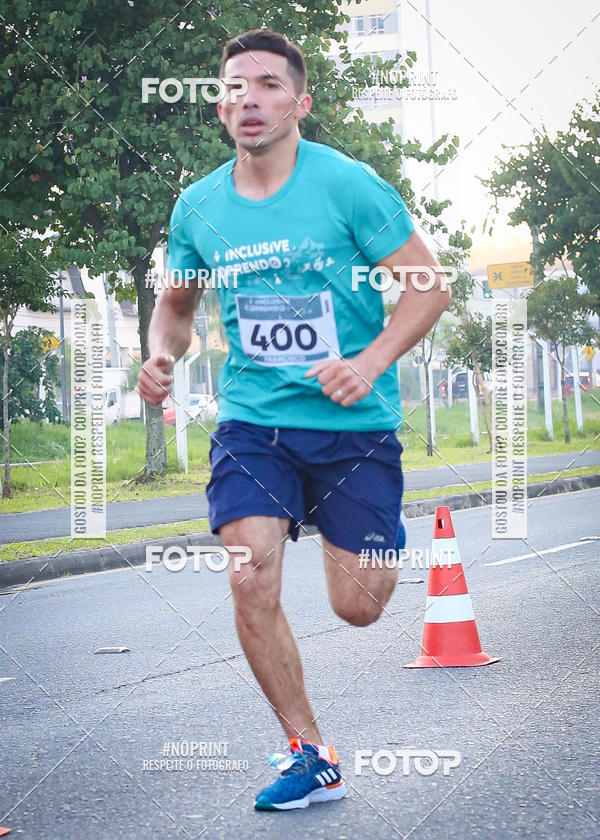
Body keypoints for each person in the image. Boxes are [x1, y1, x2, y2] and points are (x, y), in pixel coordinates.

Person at [138, 28, 451, 811]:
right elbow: (175, 307)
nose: (251, 98)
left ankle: (346, 520)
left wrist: (371, 361)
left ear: (301, 101)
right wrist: (161, 356)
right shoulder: (198, 206)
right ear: (219, 104)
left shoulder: (349, 186)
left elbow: (428, 285)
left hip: (353, 425)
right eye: (236, 86)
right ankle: (311, 753)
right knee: (249, 576)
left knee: (360, 605)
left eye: (270, 85)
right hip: (254, 424)